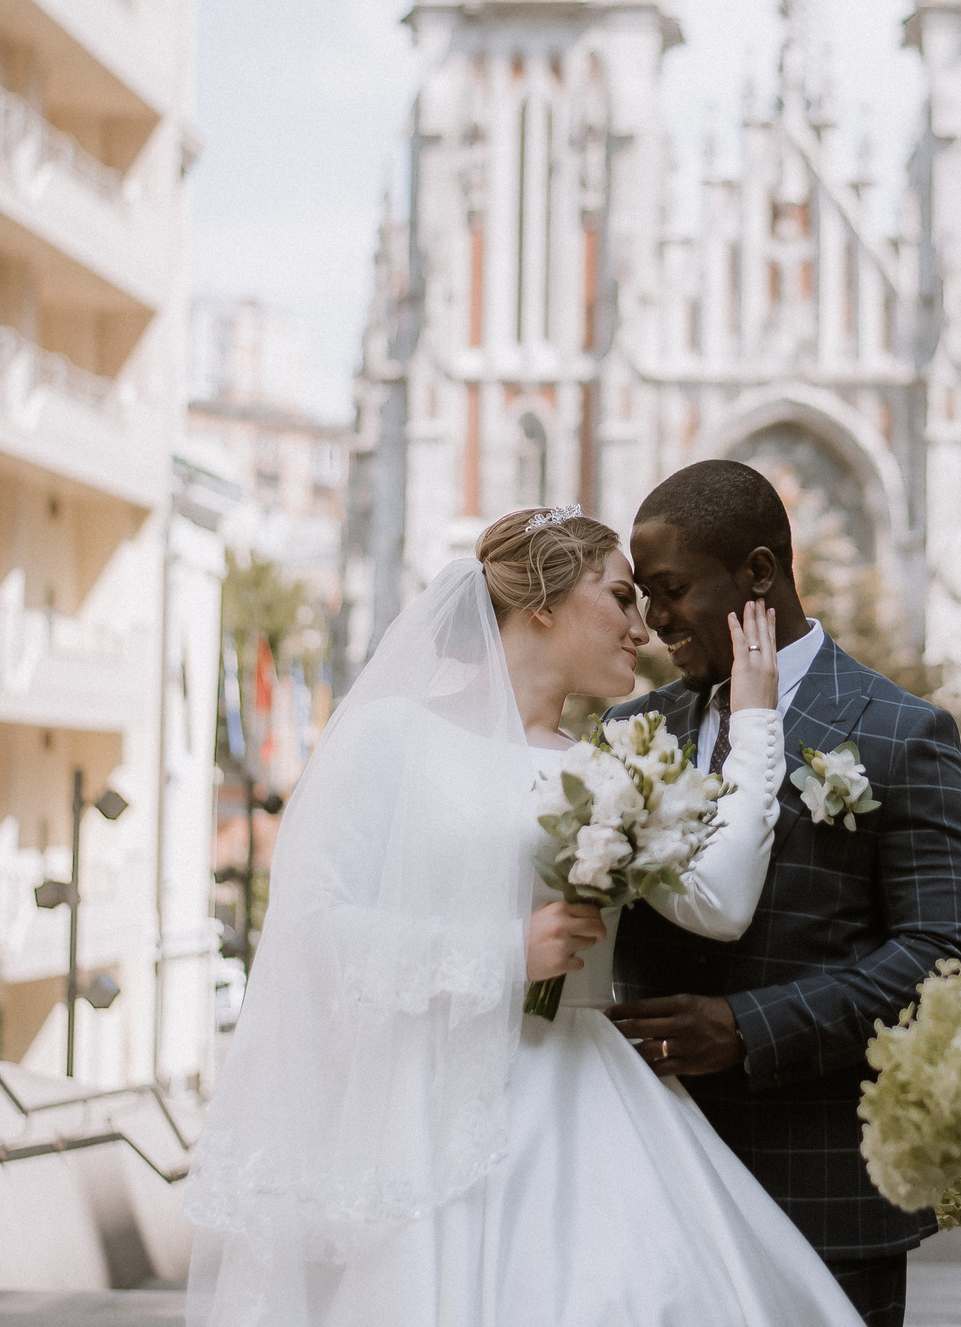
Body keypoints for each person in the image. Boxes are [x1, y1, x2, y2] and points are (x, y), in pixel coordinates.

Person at [186, 506, 866, 1327]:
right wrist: (505, 950)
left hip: (590, 1116)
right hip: (425, 1118)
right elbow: (312, 929)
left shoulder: (607, 768)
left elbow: (719, 904)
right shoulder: (388, 737)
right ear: (542, 601)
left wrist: (758, 721)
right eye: (619, 597)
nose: (642, 629)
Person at [607, 460, 961, 1327]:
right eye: (641, 595)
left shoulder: (899, 731)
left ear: (757, 573)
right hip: (647, 1183)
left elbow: (946, 952)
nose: (653, 618)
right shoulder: (630, 731)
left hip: (817, 1190)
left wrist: (749, 1028)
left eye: (671, 589)